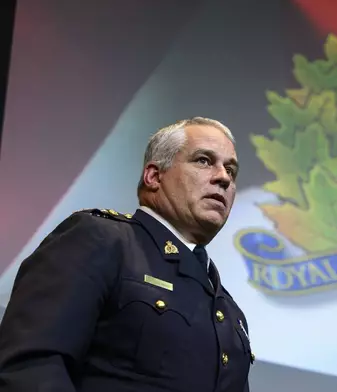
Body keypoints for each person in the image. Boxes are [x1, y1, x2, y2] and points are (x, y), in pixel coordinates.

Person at [0, 117, 253, 391]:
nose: (224, 178)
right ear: (154, 176)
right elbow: (32, 365)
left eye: (231, 170)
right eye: (204, 160)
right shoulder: (100, 239)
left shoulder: (228, 310)